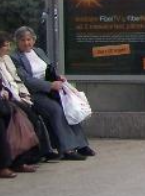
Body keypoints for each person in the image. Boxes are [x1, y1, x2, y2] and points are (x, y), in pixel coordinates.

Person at [11, 26, 94, 161]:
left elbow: (49, 68)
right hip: (34, 93)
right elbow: (26, 79)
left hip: (53, 89)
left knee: (68, 107)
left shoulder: (39, 51)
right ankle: (67, 149)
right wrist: (49, 85)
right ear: (17, 41)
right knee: (56, 110)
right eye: (23, 40)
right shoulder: (15, 57)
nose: (27, 43)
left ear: (34, 40)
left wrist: (58, 77)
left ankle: (81, 145)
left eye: (29, 39)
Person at [0, 33, 57, 162]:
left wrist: (24, 94)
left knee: (35, 118)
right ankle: (26, 157)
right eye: (5, 46)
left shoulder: (7, 59)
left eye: (9, 45)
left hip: (19, 95)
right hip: (9, 98)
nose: (8, 48)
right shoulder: (14, 57)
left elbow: (16, 80)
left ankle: (42, 151)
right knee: (27, 119)